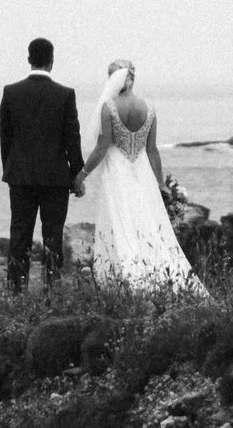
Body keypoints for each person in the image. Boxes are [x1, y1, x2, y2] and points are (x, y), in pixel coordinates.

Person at [78, 58, 205, 293]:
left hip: (116, 170)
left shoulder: (109, 107)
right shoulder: (149, 108)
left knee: (119, 221)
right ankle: (159, 275)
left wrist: (82, 174)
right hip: (143, 171)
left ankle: (123, 279)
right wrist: (160, 183)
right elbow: (152, 150)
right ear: (132, 78)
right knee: (147, 223)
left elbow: (102, 147)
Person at [0, 36, 83, 292]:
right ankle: (51, 290)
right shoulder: (65, 95)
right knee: (53, 236)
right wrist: (77, 175)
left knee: (19, 235)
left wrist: (10, 168)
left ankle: (15, 291)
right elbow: (72, 138)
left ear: (29, 59)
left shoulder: (11, 92)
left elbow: (5, 137)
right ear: (52, 61)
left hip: (20, 176)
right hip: (55, 178)